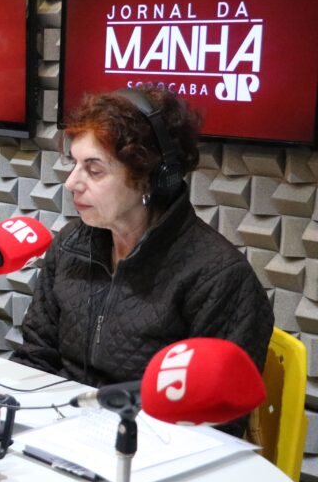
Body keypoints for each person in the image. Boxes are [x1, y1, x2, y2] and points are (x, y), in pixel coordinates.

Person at [14, 88, 272, 431]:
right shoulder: (70, 246)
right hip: (61, 433)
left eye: (94, 170)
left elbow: (213, 425)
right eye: (74, 164)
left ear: (151, 177)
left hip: (151, 453)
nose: (72, 183)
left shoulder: (219, 278)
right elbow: (35, 359)